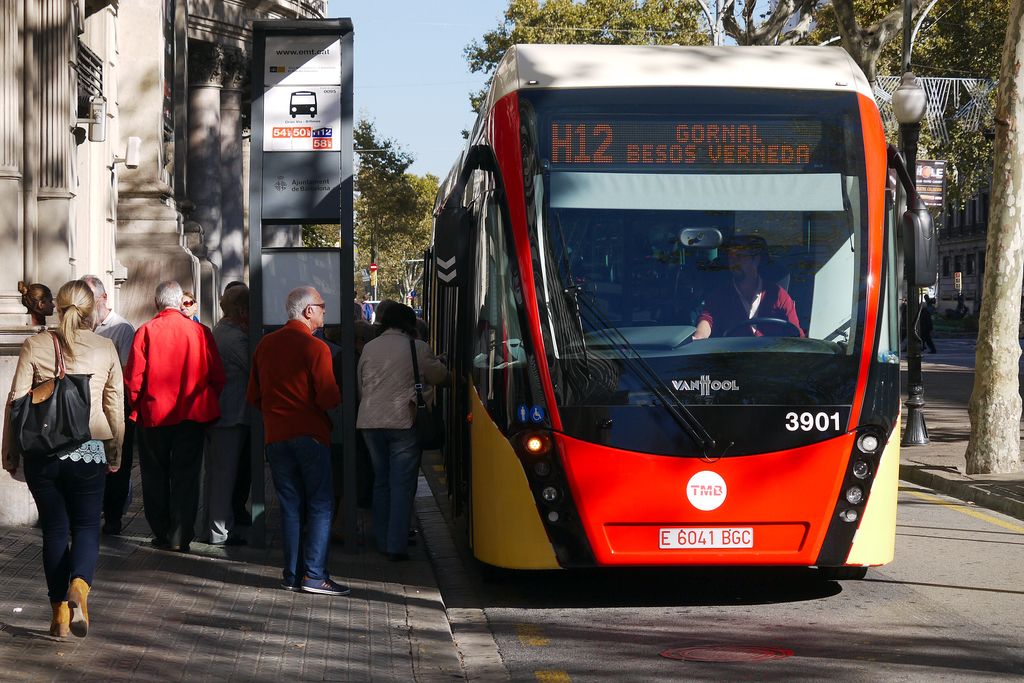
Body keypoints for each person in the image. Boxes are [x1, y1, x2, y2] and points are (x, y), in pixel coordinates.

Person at [2, 281, 124, 638]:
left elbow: (16, 401)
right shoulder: (105, 347)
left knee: (55, 530)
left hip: (44, 452)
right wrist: (115, 451)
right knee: (86, 526)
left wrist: (9, 452)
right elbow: (114, 404)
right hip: (89, 449)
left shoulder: (35, 344)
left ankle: (58, 615)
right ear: (91, 312)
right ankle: (80, 588)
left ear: (58, 308)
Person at [247, 286, 349, 596]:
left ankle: (291, 574)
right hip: (311, 435)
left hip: (276, 435)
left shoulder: (266, 344)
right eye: (320, 306)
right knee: (320, 504)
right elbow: (329, 396)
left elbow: (253, 395)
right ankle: (315, 575)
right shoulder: (315, 348)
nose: (324, 311)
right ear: (307, 311)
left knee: (290, 506)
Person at [125, 280, 225, 553]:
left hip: (154, 414)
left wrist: (137, 405)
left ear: (157, 302)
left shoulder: (146, 331)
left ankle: (161, 530)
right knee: (187, 476)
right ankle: (180, 535)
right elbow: (218, 375)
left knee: (155, 475)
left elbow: (134, 379)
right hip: (191, 415)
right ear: (180, 301)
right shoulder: (200, 332)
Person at [357, 303, 446, 561]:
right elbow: (439, 377)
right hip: (403, 421)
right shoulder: (417, 347)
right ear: (409, 324)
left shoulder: (369, 348)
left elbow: (361, 385)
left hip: (370, 421)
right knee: (402, 484)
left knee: (381, 480)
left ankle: (382, 539)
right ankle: (396, 545)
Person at [81, 274, 136, 536]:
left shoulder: (121, 328)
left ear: (104, 298)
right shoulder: (83, 327)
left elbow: (126, 373)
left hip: (113, 404)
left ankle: (113, 516)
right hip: (86, 407)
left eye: (90, 298)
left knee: (116, 463)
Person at [201, 284, 251, 545]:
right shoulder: (236, 338)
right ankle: (220, 530)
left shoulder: (220, 331)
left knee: (215, 474)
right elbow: (255, 370)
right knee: (224, 475)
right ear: (242, 311)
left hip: (220, 414)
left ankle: (211, 525)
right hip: (230, 415)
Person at [692, 235, 803, 340]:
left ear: (756, 260)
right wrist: (699, 337)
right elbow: (706, 320)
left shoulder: (777, 295)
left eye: (740, 256)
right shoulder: (720, 295)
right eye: (731, 257)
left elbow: (796, 334)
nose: (734, 262)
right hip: (733, 357)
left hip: (771, 357)